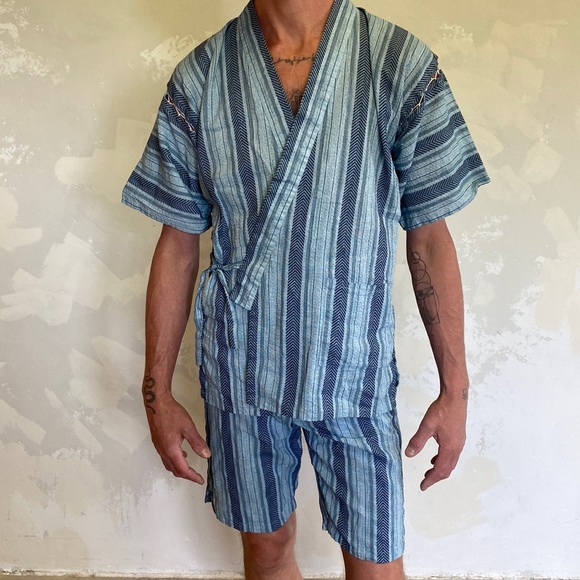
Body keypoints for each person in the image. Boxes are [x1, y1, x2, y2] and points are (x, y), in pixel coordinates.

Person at [122, 0, 489, 578]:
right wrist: (157, 391)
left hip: (354, 368)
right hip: (241, 366)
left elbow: (430, 237)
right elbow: (178, 241)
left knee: (376, 561)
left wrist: (456, 390)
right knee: (267, 549)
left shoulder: (398, 64)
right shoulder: (203, 76)